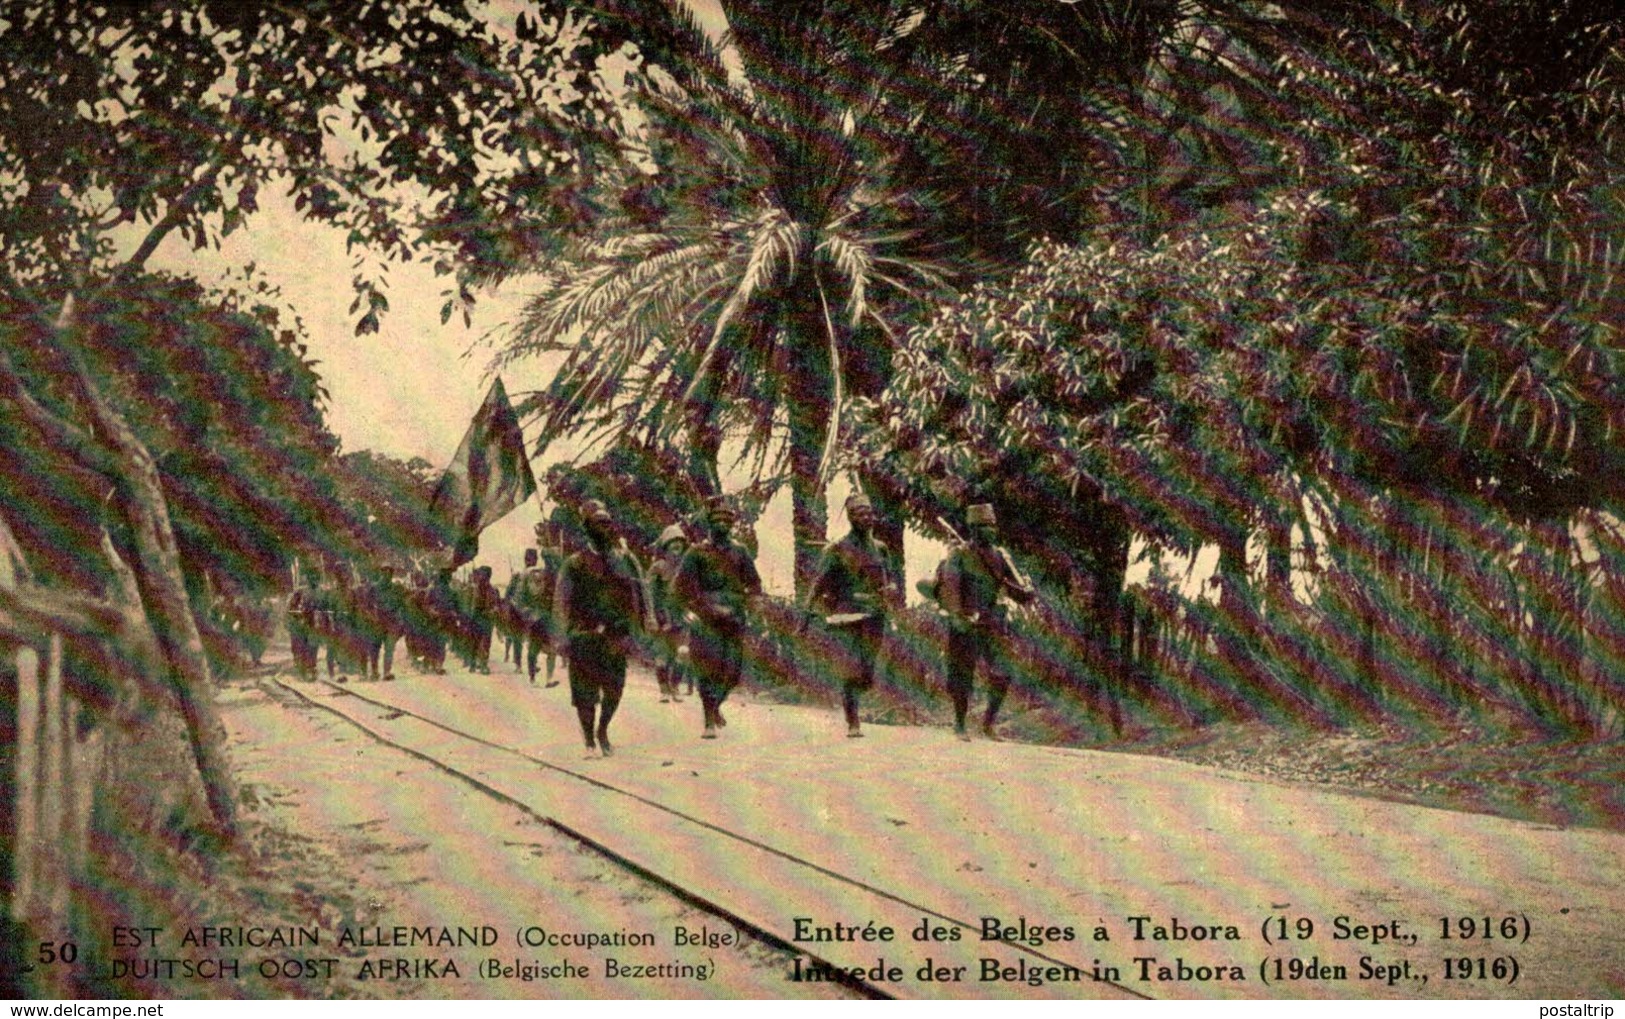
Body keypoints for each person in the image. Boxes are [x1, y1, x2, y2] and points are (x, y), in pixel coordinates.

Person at [932, 502, 1035, 741]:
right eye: (985, 526)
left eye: (993, 526)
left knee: (1002, 673)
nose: (991, 530)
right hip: (965, 621)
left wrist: (1027, 592)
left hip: (992, 621)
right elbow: (950, 588)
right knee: (962, 675)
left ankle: (988, 723)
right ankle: (959, 725)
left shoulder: (1000, 556)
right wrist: (958, 616)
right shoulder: (959, 555)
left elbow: (1017, 592)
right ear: (974, 529)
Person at [552, 499, 646, 757]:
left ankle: (602, 729)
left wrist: (637, 628)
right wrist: (561, 637)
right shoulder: (575, 563)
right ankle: (589, 741)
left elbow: (637, 594)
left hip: (616, 636)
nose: (605, 529)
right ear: (587, 528)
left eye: (608, 523)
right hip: (584, 634)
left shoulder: (624, 560)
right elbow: (562, 600)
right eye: (598, 524)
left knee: (615, 690)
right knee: (585, 694)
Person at [807, 492, 900, 738]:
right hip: (845, 615)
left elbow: (890, 579)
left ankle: (855, 701)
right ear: (850, 517)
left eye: (869, 513)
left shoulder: (881, 548)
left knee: (867, 672)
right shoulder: (837, 548)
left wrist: (891, 589)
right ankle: (853, 721)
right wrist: (806, 614)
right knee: (852, 669)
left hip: (873, 616)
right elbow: (819, 582)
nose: (867, 518)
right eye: (860, 513)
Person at [676, 495, 761, 739]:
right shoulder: (696, 553)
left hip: (734, 619)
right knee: (707, 670)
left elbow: (754, 584)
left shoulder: (740, 552)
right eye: (717, 519)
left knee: (733, 672)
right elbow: (680, 587)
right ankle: (708, 720)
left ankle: (715, 707)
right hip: (705, 619)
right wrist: (687, 611)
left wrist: (753, 604)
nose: (722, 523)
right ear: (710, 523)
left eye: (727, 519)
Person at [646, 523, 691, 704]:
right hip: (662, 616)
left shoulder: (687, 566)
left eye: (679, 542)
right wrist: (653, 617)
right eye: (672, 543)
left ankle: (675, 686)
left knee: (683, 652)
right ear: (665, 546)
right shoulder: (658, 567)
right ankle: (664, 689)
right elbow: (649, 593)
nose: (676, 546)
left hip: (681, 616)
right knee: (662, 657)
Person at [505, 545, 558, 686]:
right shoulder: (523, 575)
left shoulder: (548, 573)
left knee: (548, 647)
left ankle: (546, 678)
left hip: (544, 615)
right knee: (524, 642)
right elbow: (515, 596)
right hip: (530, 614)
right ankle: (528, 672)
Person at [287, 572, 322, 681]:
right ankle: (305, 668)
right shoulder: (300, 591)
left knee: (313, 646)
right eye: (312, 579)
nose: (315, 581)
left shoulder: (320, 592)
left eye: (316, 579)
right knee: (302, 646)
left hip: (314, 624)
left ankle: (311, 668)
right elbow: (290, 608)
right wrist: (299, 614)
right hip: (300, 624)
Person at [466, 565, 500, 674]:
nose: (481, 577)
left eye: (484, 575)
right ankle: (472, 662)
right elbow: (470, 605)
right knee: (474, 641)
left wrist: (493, 611)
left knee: (486, 642)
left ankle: (484, 664)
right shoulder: (474, 589)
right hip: (476, 617)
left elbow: (497, 605)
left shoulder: (493, 590)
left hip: (487, 618)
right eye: (481, 575)